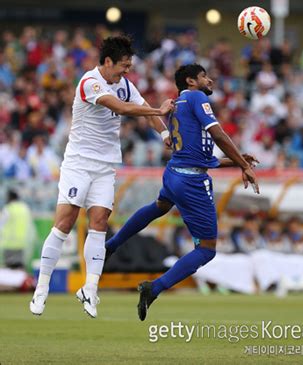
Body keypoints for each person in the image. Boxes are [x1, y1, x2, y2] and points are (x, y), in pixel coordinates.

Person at [29, 35, 175, 318]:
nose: (126, 71)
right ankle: (42, 286)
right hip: (79, 163)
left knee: (99, 223)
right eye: (123, 65)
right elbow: (121, 108)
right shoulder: (89, 82)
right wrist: (158, 109)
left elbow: (143, 110)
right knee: (65, 222)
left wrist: (165, 133)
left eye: (129, 65)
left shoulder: (125, 85)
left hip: (106, 166)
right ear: (107, 62)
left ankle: (90, 289)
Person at [104, 63, 259, 321]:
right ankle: (154, 288)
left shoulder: (177, 105)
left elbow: (198, 155)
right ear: (190, 81)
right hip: (191, 181)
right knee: (207, 249)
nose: (209, 80)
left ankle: (112, 245)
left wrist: (237, 161)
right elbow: (218, 134)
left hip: (175, 172)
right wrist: (243, 165)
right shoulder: (197, 97)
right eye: (203, 76)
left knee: (160, 206)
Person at [0, 189, 36, 269]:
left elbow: (1, 224)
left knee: (9, 270)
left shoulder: (8, 209)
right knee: (20, 269)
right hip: (22, 244)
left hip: (9, 244)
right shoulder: (25, 208)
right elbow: (30, 226)